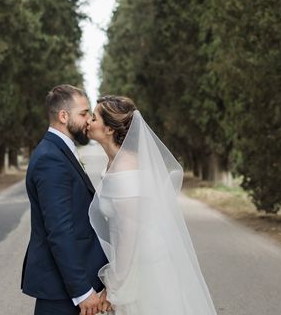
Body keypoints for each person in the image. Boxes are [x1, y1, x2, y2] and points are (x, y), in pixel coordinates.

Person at [87, 95, 218, 315]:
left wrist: (115, 286)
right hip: (133, 261)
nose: (88, 122)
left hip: (144, 267)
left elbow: (128, 235)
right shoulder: (115, 161)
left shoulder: (126, 168)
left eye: (93, 117)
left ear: (109, 129)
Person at [21, 84, 111, 315]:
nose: (88, 120)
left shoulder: (59, 151)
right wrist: (82, 291)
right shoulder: (50, 158)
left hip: (66, 287)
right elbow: (59, 230)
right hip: (61, 292)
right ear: (63, 116)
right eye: (83, 114)